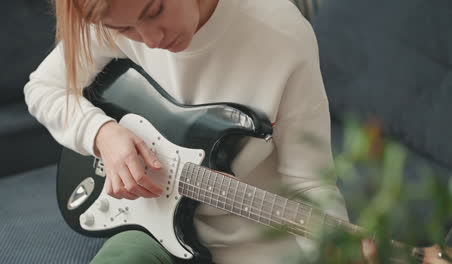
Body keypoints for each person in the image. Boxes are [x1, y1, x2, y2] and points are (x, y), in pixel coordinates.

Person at [24, 0, 352, 263]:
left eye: (154, 11)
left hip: (253, 245)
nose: (152, 40)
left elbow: (308, 183)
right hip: (148, 228)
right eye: (125, 29)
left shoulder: (282, 36)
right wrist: (102, 134)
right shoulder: (113, 12)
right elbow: (43, 88)